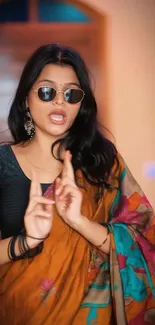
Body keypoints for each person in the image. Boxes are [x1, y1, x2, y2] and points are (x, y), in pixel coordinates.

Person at [0, 44, 154, 325]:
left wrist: (80, 222)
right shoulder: (1, 163)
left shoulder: (103, 163)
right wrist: (27, 241)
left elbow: (144, 245)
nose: (60, 102)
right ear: (25, 99)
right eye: (47, 91)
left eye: (72, 94)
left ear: (81, 105)